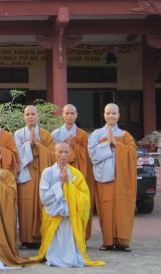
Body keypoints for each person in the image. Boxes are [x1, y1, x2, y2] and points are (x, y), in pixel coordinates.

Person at [30, 142, 105, 267]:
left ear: (70, 154)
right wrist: (60, 184)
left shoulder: (76, 174)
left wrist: (69, 185)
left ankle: (71, 256)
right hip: (53, 215)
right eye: (60, 152)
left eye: (66, 152)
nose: (63, 155)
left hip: (70, 216)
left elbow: (85, 197)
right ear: (54, 153)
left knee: (69, 241)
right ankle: (53, 256)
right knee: (54, 244)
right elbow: (44, 197)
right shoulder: (47, 172)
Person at [88, 103, 137, 252]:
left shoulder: (125, 135)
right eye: (108, 113)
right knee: (106, 208)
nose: (111, 116)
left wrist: (116, 144)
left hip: (122, 178)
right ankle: (108, 241)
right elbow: (92, 155)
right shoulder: (96, 134)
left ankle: (123, 241)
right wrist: (108, 144)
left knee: (123, 207)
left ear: (119, 115)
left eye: (114, 113)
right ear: (104, 115)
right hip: (105, 178)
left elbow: (133, 153)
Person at [14, 105, 56, 248]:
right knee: (25, 204)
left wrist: (37, 144)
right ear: (24, 117)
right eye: (27, 114)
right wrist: (28, 145)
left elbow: (53, 155)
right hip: (26, 174)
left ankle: (42, 237)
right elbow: (16, 155)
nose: (30, 117)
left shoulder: (46, 134)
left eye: (33, 114)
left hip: (42, 173)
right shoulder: (18, 134)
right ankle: (26, 239)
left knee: (42, 202)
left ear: (38, 116)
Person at [51, 103, 95, 239]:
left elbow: (87, 156)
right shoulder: (55, 134)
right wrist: (67, 147)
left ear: (76, 115)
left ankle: (80, 235)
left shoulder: (83, 135)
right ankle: (61, 236)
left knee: (79, 202)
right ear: (62, 115)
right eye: (67, 113)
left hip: (78, 174)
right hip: (60, 172)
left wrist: (75, 146)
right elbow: (52, 155)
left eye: (72, 113)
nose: (69, 116)